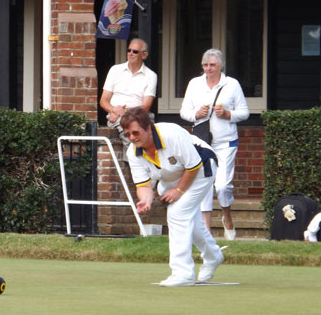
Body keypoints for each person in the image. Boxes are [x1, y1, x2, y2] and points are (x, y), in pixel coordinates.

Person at [121, 107, 223, 287]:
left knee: (178, 214)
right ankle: (213, 256)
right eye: (128, 134)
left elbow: (193, 166)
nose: (132, 137)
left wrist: (179, 190)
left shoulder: (171, 134)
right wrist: (145, 200)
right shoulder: (133, 152)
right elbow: (144, 185)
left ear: (148, 128)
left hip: (201, 168)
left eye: (135, 132)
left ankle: (183, 273)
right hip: (172, 175)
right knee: (190, 221)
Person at [180, 48, 249, 240]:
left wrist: (229, 115)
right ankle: (207, 230)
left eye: (212, 65)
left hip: (226, 141)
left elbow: (244, 112)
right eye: (205, 65)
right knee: (205, 184)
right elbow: (184, 111)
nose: (208, 69)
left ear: (220, 66)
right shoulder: (195, 84)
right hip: (202, 142)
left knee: (222, 186)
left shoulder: (232, 84)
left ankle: (226, 215)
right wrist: (196, 114)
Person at [100, 38, 157, 158]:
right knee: (130, 136)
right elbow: (103, 101)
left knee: (153, 136)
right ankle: (135, 168)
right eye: (129, 50)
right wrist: (114, 110)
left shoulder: (151, 75)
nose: (130, 53)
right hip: (116, 114)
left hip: (139, 114)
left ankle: (151, 169)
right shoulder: (115, 70)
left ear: (144, 55)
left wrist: (122, 112)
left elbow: (146, 106)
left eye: (135, 51)